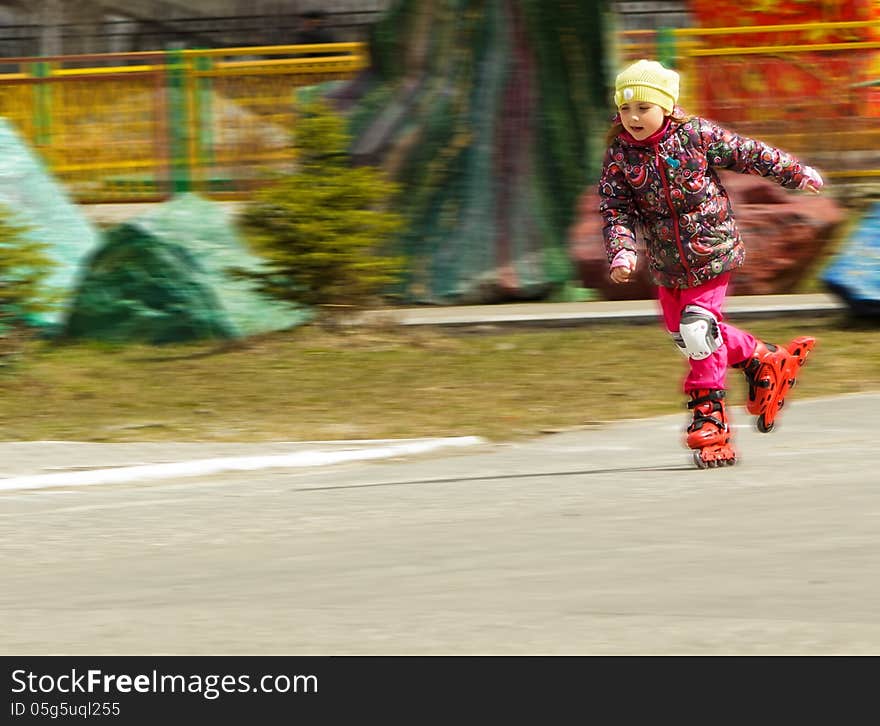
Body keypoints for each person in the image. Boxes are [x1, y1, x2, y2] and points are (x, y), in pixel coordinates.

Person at [597, 59, 824, 469]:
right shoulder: (620, 155)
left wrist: (795, 173)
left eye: (643, 108)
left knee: (698, 330)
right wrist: (623, 250)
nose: (633, 118)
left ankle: (711, 421)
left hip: (712, 250)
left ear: (666, 106)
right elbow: (615, 209)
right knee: (686, 335)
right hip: (667, 263)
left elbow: (748, 153)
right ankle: (763, 359)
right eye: (626, 109)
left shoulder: (695, 135)